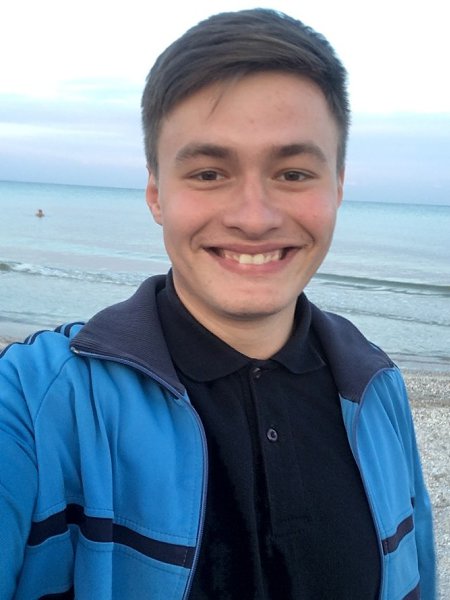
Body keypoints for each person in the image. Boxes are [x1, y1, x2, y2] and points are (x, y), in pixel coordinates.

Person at [0, 9, 436, 600]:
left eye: (293, 173)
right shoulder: (34, 401)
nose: (254, 218)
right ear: (157, 193)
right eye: (209, 173)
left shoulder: (377, 386)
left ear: (337, 186)